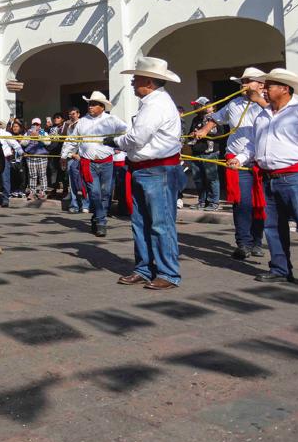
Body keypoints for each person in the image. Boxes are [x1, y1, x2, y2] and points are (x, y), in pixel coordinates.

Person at [232, 68, 298, 292]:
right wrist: (241, 158)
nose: (264, 89)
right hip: (269, 178)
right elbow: (254, 143)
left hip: (297, 177)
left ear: (284, 89)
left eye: (269, 85)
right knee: (272, 226)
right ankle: (280, 269)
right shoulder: (262, 115)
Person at [106, 57, 184, 290]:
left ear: (148, 82)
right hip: (145, 169)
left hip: (157, 170)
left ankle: (168, 272)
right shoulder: (152, 103)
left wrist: (115, 141)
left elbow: (137, 138)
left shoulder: (156, 105)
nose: (132, 82)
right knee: (140, 223)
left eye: (136, 78)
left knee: (160, 224)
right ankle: (145, 268)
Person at [194, 68, 267, 260]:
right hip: (236, 160)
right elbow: (216, 118)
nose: (243, 85)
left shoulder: (268, 105)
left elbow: (279, 119)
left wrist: (258, 100)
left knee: (260, 203)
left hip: (261, 160)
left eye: (248, 81)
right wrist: (204, 130)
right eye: (242, 81)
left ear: (261, 85)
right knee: (242, 202)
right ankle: (243, 243)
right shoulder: (233, 104)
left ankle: (257, 241)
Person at [69, 91, 129, 238]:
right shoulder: (82, 121)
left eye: (94, 104)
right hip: (88, 162)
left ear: (102, 107)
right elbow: (72, 139)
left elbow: (127, 131)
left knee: (106, 193)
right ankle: (101, 222)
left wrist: (117, 144)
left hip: (107, 162)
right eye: (89, 104)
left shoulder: (112, 120)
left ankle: (97, 216)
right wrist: (65, 155)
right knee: (95, 192)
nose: (90, 107)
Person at [186, 97, 222, 211]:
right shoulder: (195, 119)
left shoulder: (215, 119)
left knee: (211, 178)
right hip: (196, 152)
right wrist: (192, 134)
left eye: (198, 105)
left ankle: (214, 202)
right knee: (198, 178)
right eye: (195, 105)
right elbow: (189, 133)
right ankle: (202, 201)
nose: (195, 108)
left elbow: (220, 134)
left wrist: (205, 134)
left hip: (210, 153)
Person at [62, 107, 88, 212]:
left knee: (83, 181)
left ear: (78, 114)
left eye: (73, 114)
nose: (71, 116)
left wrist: (79, 154)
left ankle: (85, 205)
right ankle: (74, 205)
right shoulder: (69, 126)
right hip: (71, 156)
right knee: (72, 182)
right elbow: (68, 142)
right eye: (69, 114)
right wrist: (65, 155)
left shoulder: (83, 124)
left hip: (82, 156)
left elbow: (83, 141)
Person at [23, 118, 50, 200]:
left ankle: (43, 191)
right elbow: (23, 143)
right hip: (31, 156)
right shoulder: (28, 132)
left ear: (40, 125)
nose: (35, 126)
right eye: (34, 124)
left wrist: (38, 137)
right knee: (32, 175)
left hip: (42, 156)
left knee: (42, 175)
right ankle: (32, 192)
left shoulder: (43, 132)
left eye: (37, 124)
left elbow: (48, 142)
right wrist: (29, 137)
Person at [47, 114, 67, 197]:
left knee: (63, 171)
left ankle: (65, 190)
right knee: (53, 171)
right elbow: (48, 139)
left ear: (62, 119)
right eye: (54, 118)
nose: (56, 119)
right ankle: (53, 189)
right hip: (53, 152)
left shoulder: (66, 127)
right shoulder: (52, 128)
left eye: (58, 118)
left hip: (63, 152)